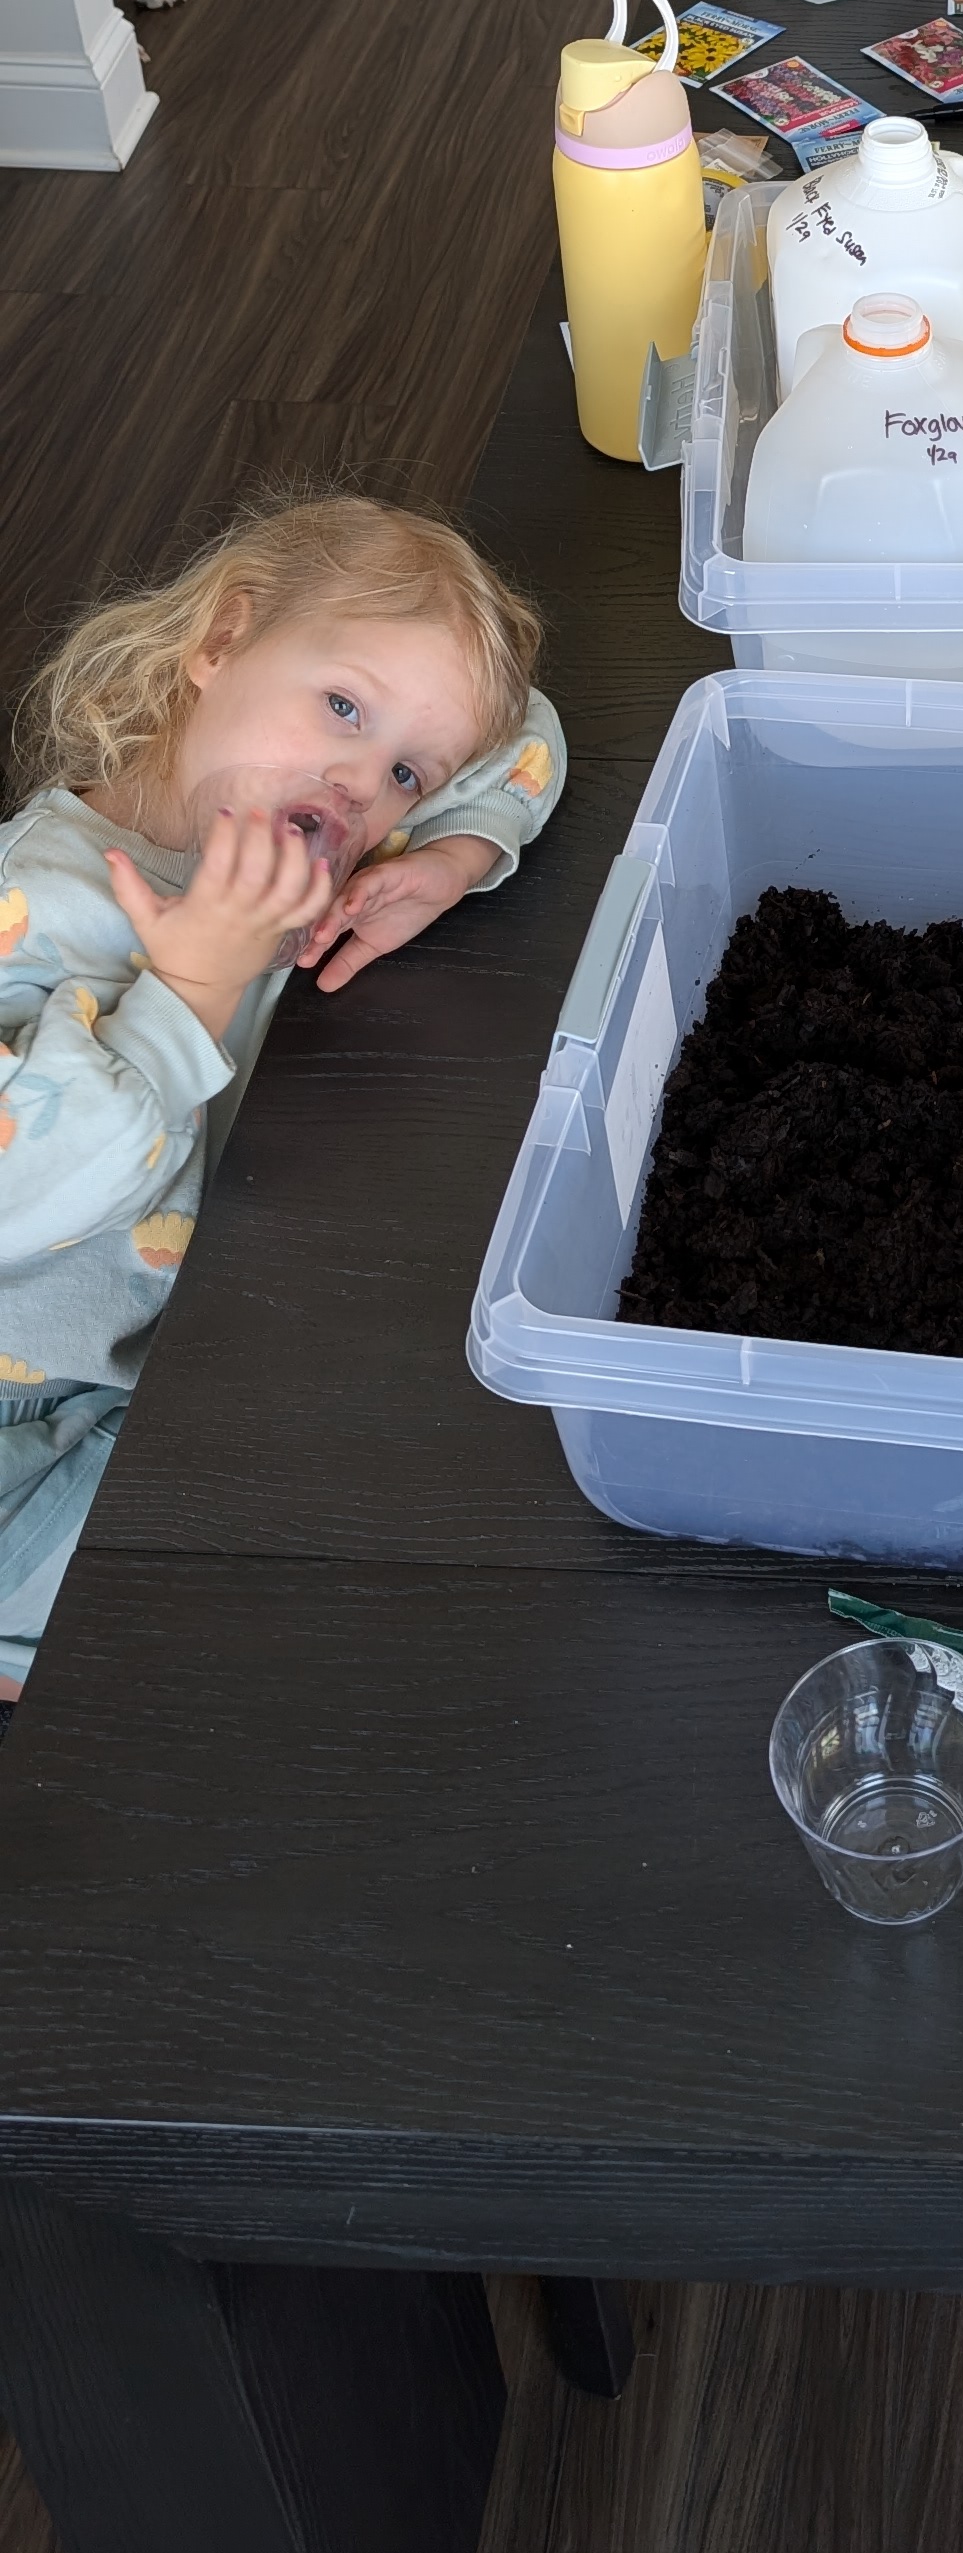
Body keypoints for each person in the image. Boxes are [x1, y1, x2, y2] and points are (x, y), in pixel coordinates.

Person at [0, 497, 566, 1696]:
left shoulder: (319, 833)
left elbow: (525, 738)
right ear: (219, 640)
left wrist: (445, 862)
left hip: (170, 1356)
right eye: (343, 707)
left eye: (404, 770)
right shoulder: (40, 913)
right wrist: (192, 987)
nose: (360, 781)